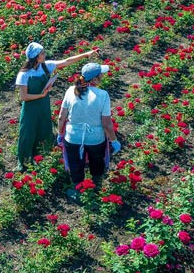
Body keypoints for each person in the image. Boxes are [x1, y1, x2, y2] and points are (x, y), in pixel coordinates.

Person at [15, 42, 99, 171]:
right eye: (42, 53)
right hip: (31, 108)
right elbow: (24, 97)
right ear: (36, 56)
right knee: (28, 132)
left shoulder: (45, 66)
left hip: (43, 105)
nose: (45, 54)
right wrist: (41, 95)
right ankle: (24, 161)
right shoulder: (24, 74)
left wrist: (86, 54)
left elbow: (66, 61)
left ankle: (40, 157)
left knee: (43, 129)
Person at [56, 62, 121, 201]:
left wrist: (60, 134)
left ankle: (78, 189)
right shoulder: (102, 95)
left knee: (75, 163)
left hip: (73, 137)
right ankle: (96, 186)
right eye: (101, 74)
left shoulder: (70, 91)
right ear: (95, 79)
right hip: (95, 138)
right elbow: (106, 123)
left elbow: (62, 117)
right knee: (96, 162)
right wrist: (114, 141)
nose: (103, 76)